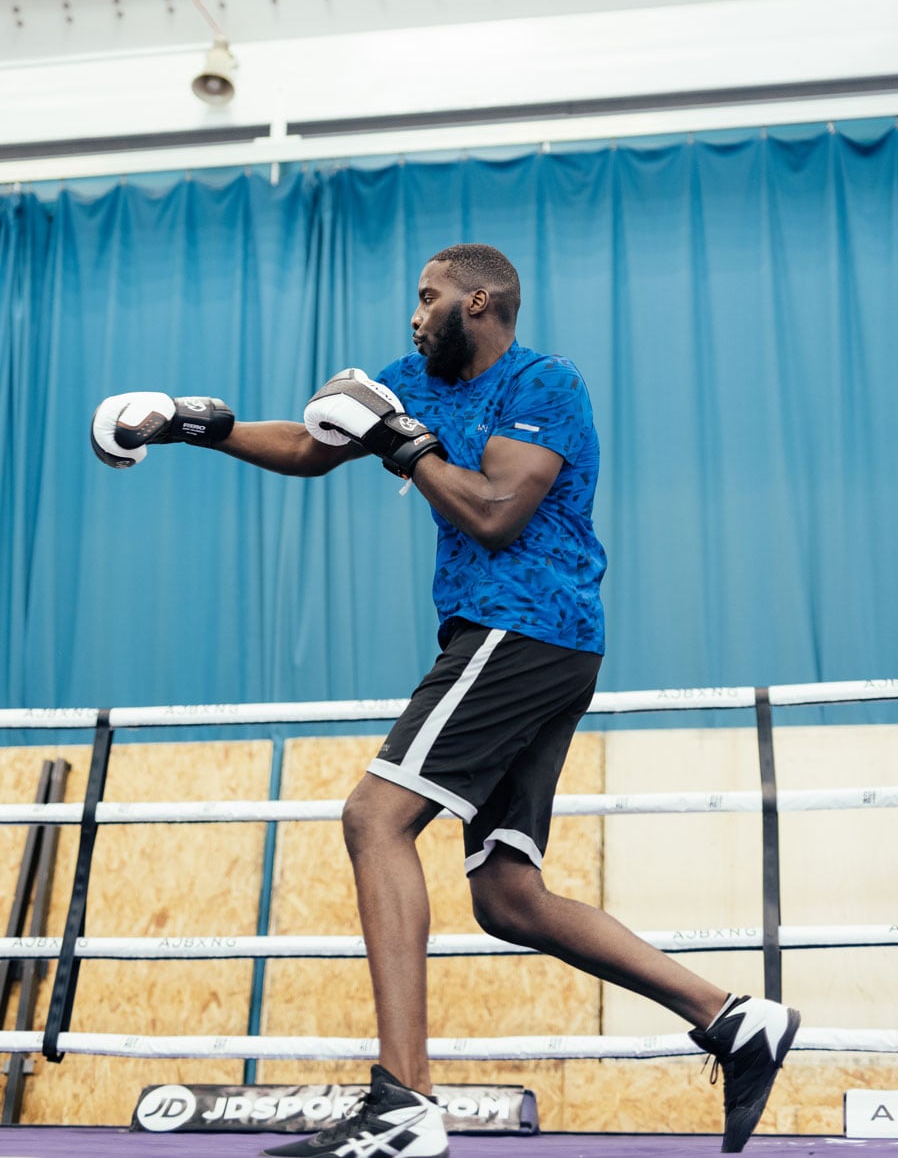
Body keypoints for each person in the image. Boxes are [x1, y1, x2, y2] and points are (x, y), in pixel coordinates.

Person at [91, 243, 799, 1156]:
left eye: (428, 298)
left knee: (374, 817)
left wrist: (402, 441)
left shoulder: (545, 384)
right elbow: (315, 445)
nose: (413, 314)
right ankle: (734, 1019)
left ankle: (404, 1105)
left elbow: (497, 513)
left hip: (525, 625)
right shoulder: (411, 380)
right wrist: (194, 426)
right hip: (512, 640)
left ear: (479, 302)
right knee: (508, 895)